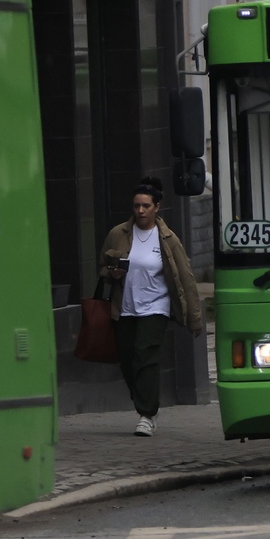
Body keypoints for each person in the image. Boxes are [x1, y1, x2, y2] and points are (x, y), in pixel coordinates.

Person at [100, 179, 200, 438]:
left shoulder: (168, 239)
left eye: (146, 206)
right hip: (124, 307)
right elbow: (102, 266)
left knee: (145, 355)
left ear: (157, 207)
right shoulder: (118, 233)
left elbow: (185, 278)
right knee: (127, 360)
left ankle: (147, 414)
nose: (141, 211)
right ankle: (145, 402)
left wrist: (195, 318)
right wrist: (111, 273)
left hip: (156, 306)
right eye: (136, 206)